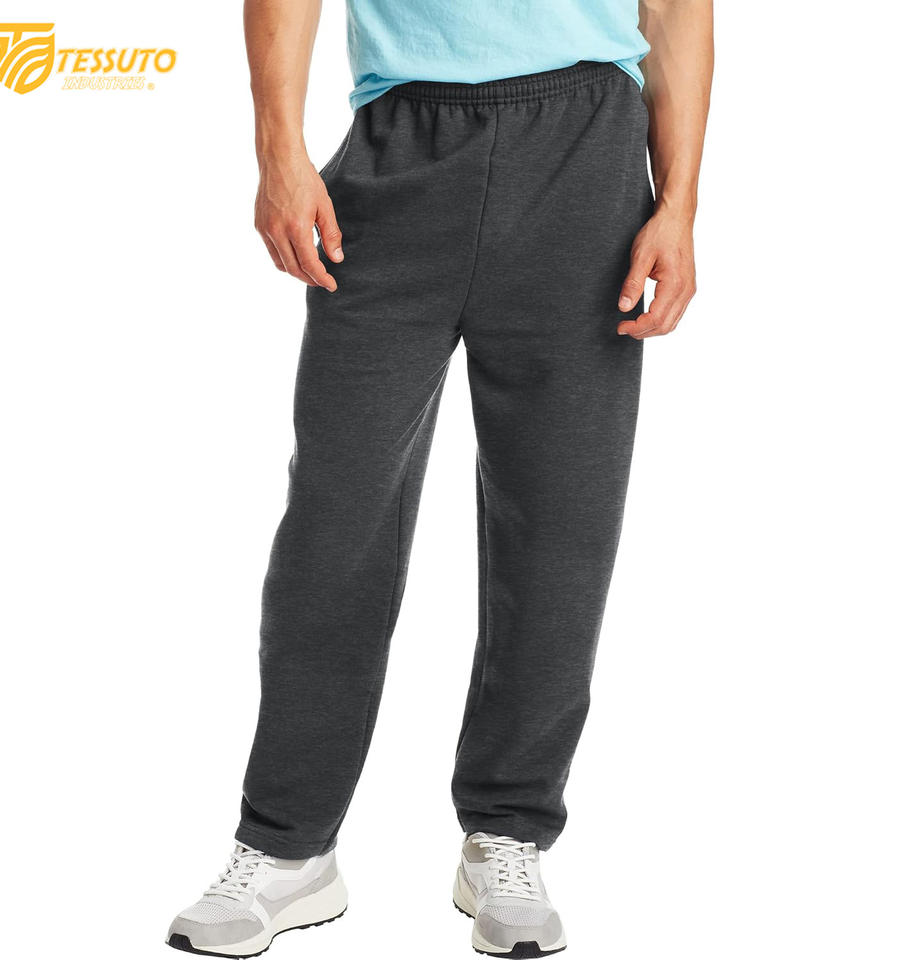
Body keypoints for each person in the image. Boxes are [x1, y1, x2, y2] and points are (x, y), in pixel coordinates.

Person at [167, 0, 712, 955]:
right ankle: (290, 845)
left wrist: (680, 206)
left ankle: (508, 829)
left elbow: (671, 7)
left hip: (584, 151)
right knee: (336, 518)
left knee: (561, 518)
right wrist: (279, 152)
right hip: (397, 147)